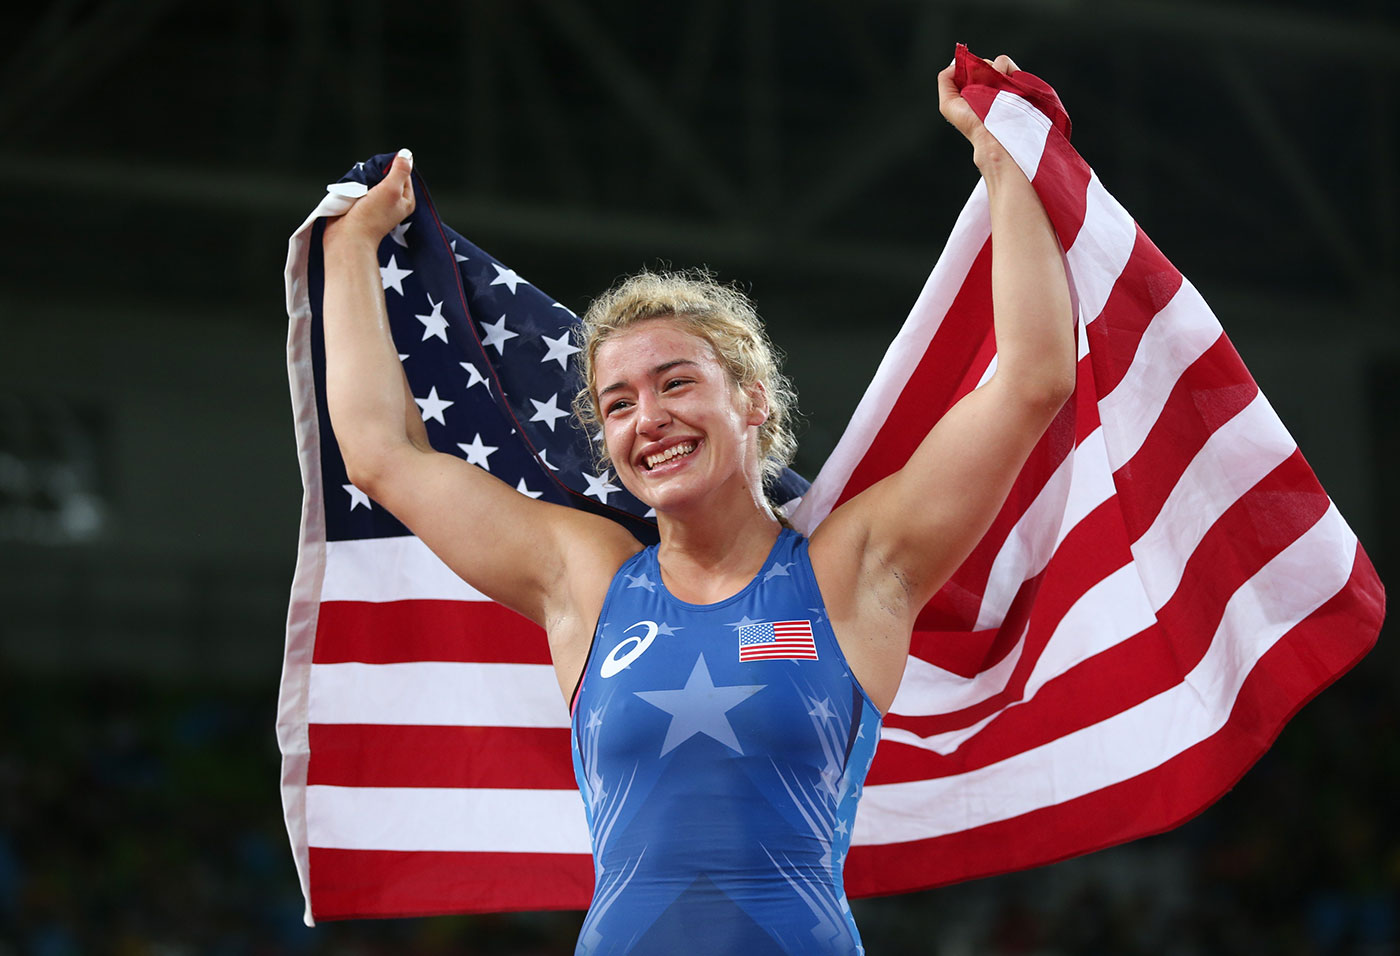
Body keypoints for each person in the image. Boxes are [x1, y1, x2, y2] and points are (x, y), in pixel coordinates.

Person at [320, 53, 1073, 956]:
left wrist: (1005, 162)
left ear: (752, 399)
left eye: (677, 382)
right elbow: (379, 454)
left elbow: (1032, 379)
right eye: (620, 402)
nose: (651, 418)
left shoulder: (850, 569)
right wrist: (350, 248)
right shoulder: (585, 580)